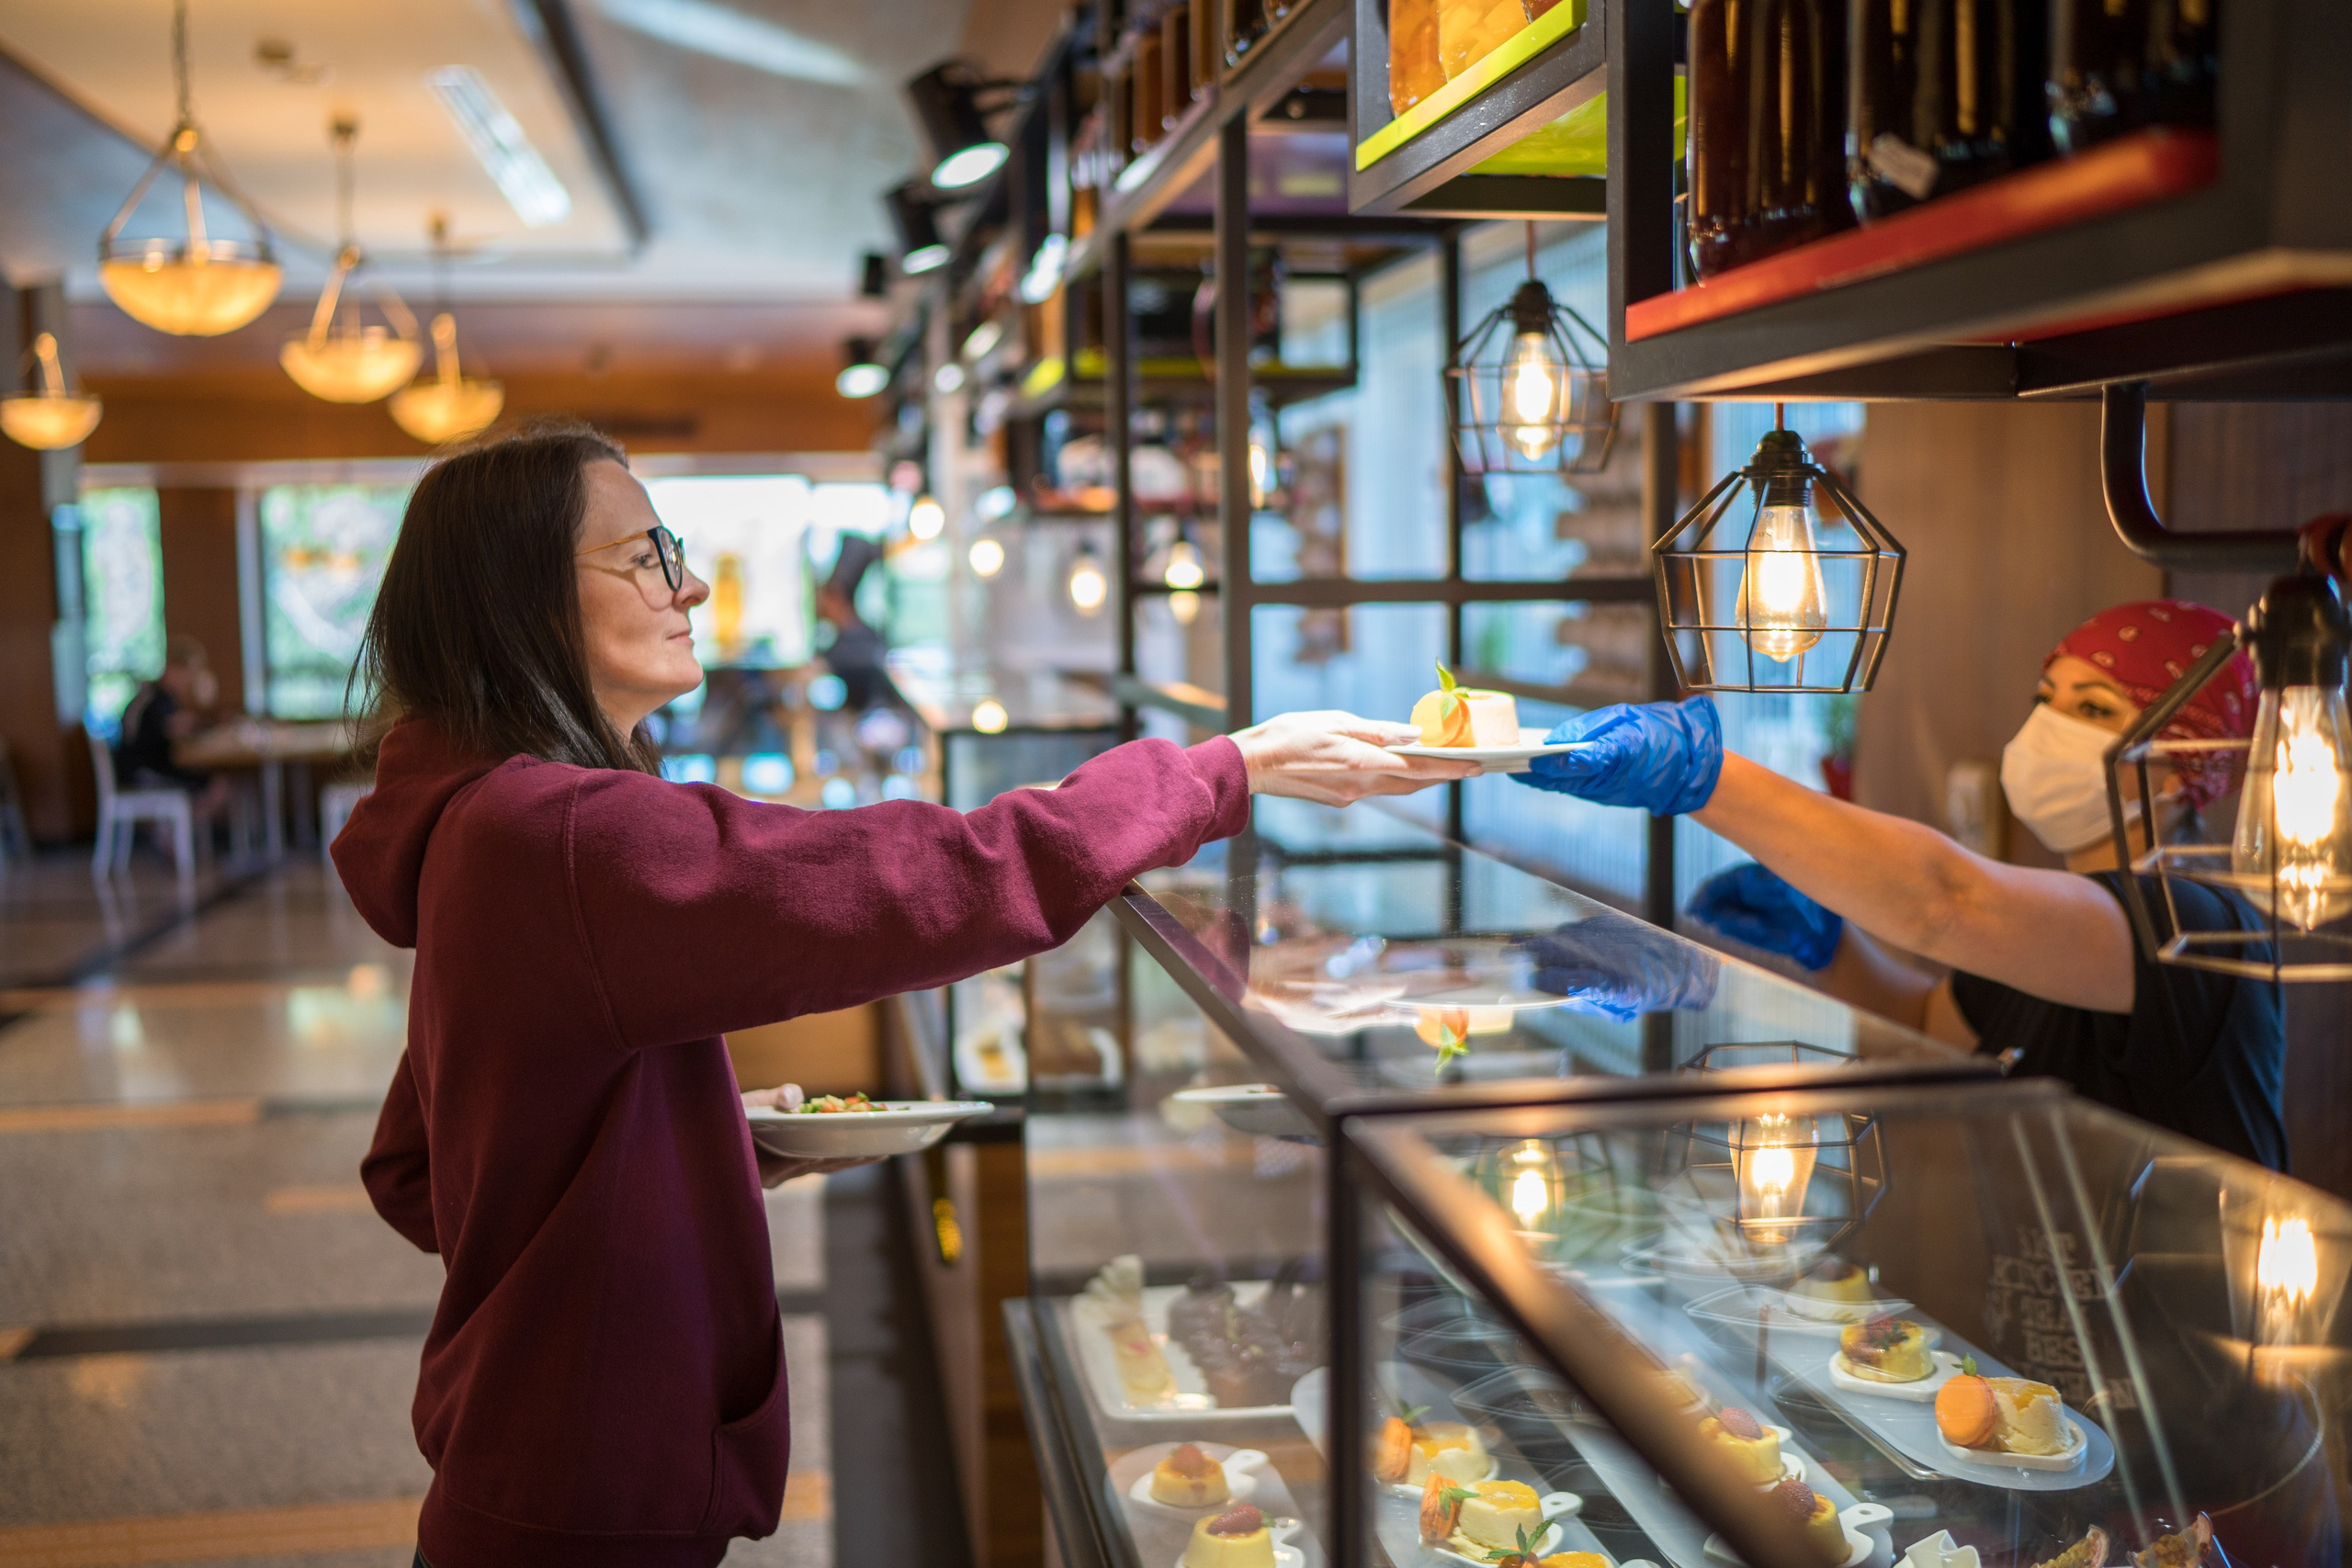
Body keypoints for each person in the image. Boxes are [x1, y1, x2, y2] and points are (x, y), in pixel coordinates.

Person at [329, 422, 1473, 1568]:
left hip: (530, 1465)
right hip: (582, 1490)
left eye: (670, 544)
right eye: (642, 556)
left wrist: (698, 1143)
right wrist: (1218, 775)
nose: (689, 581)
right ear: (520, 596)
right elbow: (909, 879)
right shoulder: (561, 836)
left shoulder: (482, 826)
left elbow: (423, 1166)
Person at [1518, 599, 2288, 1169]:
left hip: (2187, 1371)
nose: (2051, 726)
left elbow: (1945, 902)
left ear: (2189, 753)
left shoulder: (2191, 921)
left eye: (2094, 707)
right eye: (2047, 698)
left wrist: (1705, 775)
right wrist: (1831, 945)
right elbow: (1928, 1021)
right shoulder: (2059, 930)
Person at [114, 636, 232, 822]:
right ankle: (176, 833)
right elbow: (180, 729)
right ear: (176, 668)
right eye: (191, 671)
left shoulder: (155, 696)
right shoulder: (156, 700)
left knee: (213, 782)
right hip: (142, 774)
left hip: (144, 768)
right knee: (217, 786)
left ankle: (176, 832)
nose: (192, 679)